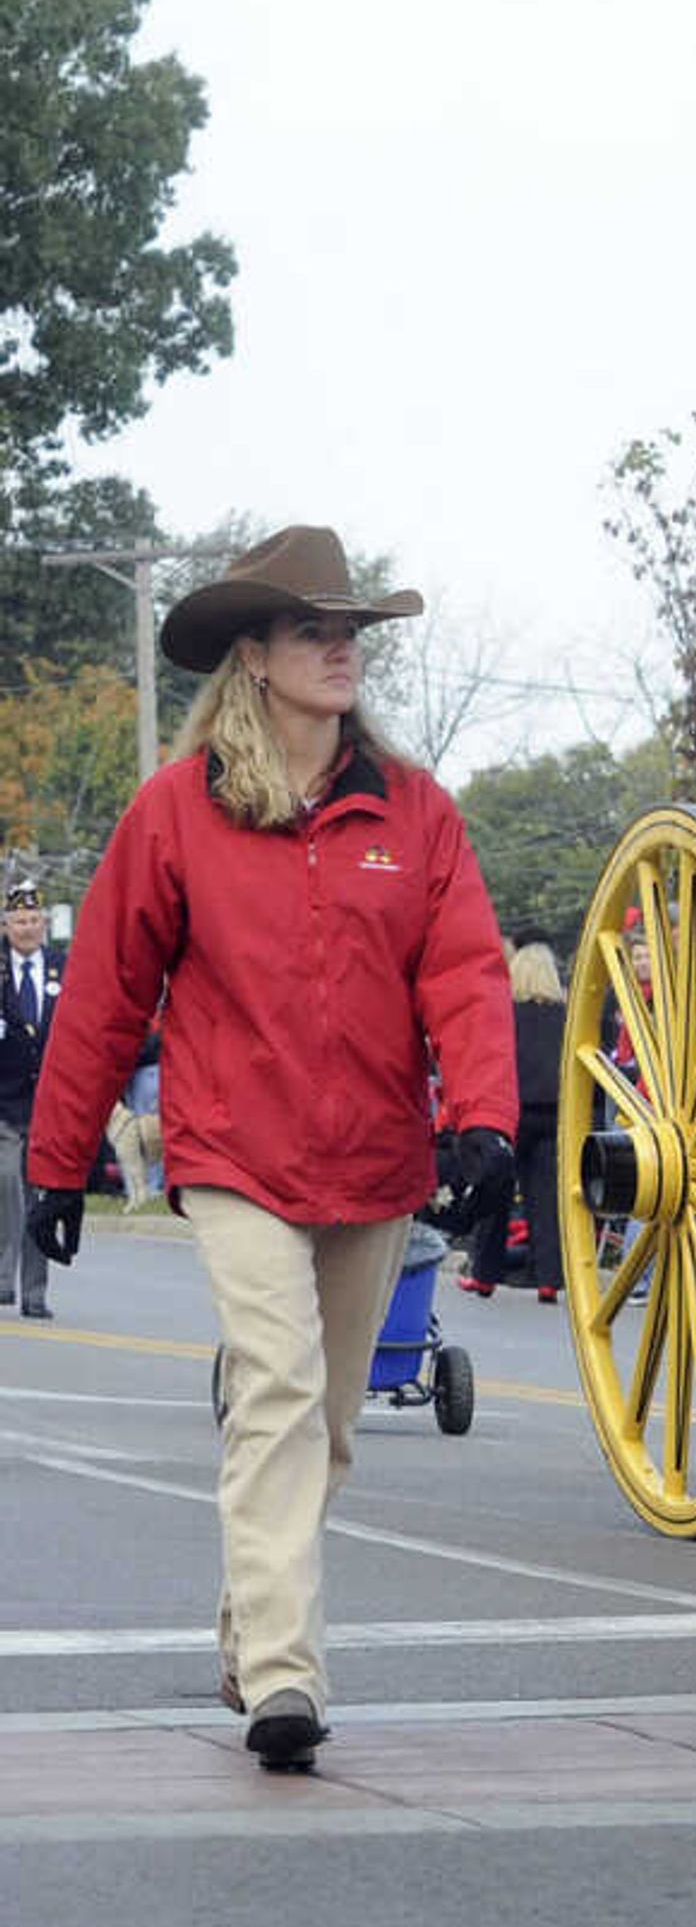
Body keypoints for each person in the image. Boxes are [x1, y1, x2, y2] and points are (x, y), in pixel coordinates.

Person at [19, 527, 517, 1775]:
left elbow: (463, 972)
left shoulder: (417, 814)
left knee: (330, 1428)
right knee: (279, 1393)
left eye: (351, 630)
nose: (342, 648)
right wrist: (58, 1162)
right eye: (314, 630)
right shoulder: (174, 814)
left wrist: (486, 1118)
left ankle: (249, 1629)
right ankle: (286, 1683)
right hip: (233, 1152)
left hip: (374, 1159)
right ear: (254, 656)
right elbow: (106, 997)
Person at [463, 939, 567, 1301]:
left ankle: (485, 1274)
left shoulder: (506, 1014)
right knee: (545, 1199)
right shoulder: (566, 1017)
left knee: (498, 1195)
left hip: (513, 1110)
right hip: (554, 1112)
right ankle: (549, 1279)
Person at [2, 873, 66, 1316]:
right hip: (2, 1102)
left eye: (33, 919)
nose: (27, 927)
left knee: (38, 1197)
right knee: (6, 1183)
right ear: (5, 925)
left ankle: (35, 1293)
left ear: (44, 924)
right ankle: (3, 1277)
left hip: (47, 1103)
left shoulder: (65, 967)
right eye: (18, 920)